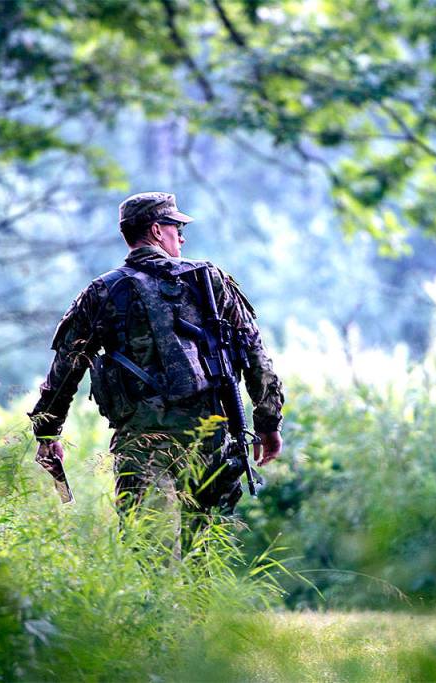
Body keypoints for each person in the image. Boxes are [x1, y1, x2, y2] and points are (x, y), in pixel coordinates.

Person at [29, 191, 284, 550]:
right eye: (176, 226)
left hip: (142, 444)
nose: (182, 236)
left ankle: (166, 609)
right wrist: (269, 423)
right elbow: (255, 354)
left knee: (154, 559)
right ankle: (199, 608)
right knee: (202, 558)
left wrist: (47, 433)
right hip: (209, 440)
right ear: (155, 230)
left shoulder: (103, 292)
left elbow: (66, 370)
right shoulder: (209, 281)